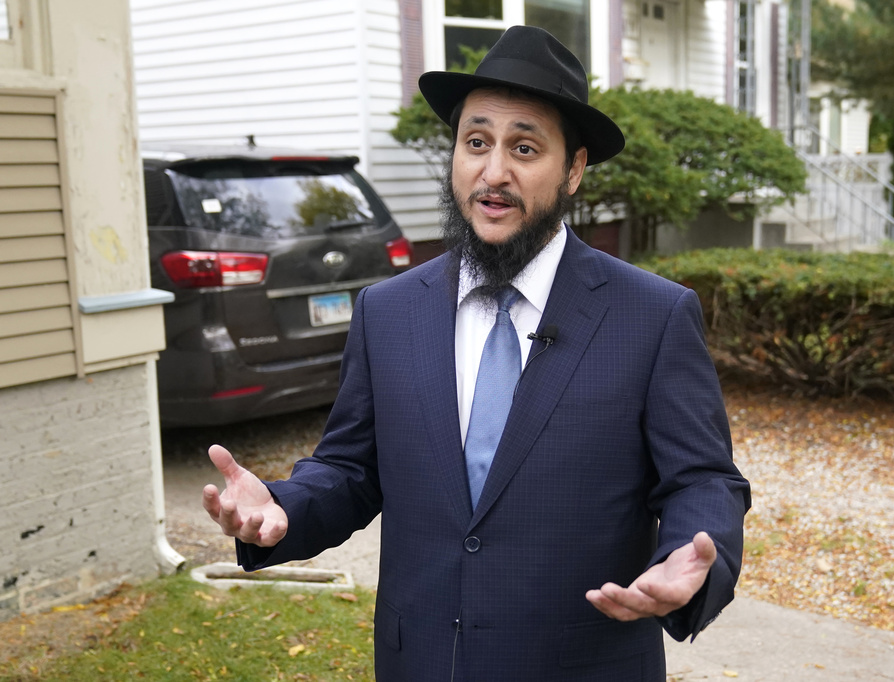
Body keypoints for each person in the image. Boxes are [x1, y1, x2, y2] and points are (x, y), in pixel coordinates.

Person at [202, 25, 750, 681]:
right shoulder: (388, 310)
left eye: (524, 147)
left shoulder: (652, 316)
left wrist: (697, 559)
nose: (494, 173)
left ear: (574, 169)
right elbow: (352, 469)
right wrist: (283, 508)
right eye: (477, 142)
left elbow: (704, 481)